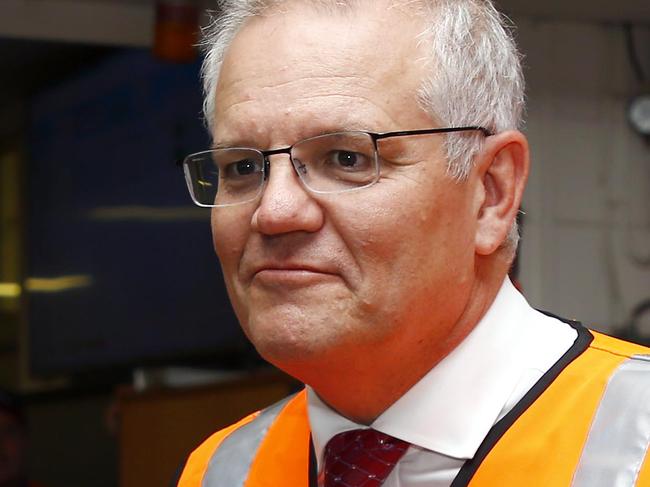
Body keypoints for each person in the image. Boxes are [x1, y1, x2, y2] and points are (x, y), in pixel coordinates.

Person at [175, 0, 650, 485]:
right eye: (243, 167)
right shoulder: (220, 470)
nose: (273, 212)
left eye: (346, 158)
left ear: (490, 193)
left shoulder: (635, 446)